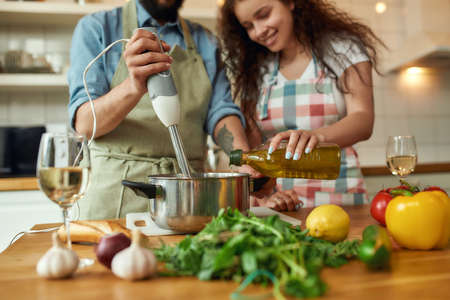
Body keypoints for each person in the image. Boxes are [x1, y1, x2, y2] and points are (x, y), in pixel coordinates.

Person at [68, 0, 254, 220]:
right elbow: (86, 124)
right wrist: (133, 86)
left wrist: (243, 160)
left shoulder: (206, 41)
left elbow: (221, 112)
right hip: (112, 203)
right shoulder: (97, 28)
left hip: (188, 201)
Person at [218, 0, 383, 208]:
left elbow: (363, 119)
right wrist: (264, 195)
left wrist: (316, 136)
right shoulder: (256, 69)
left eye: (264, 15)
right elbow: (253, 145)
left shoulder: (342, 48)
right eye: (248, 26)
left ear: (290, 3)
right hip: (284, 202)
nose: (258, 31)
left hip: (341, 197)